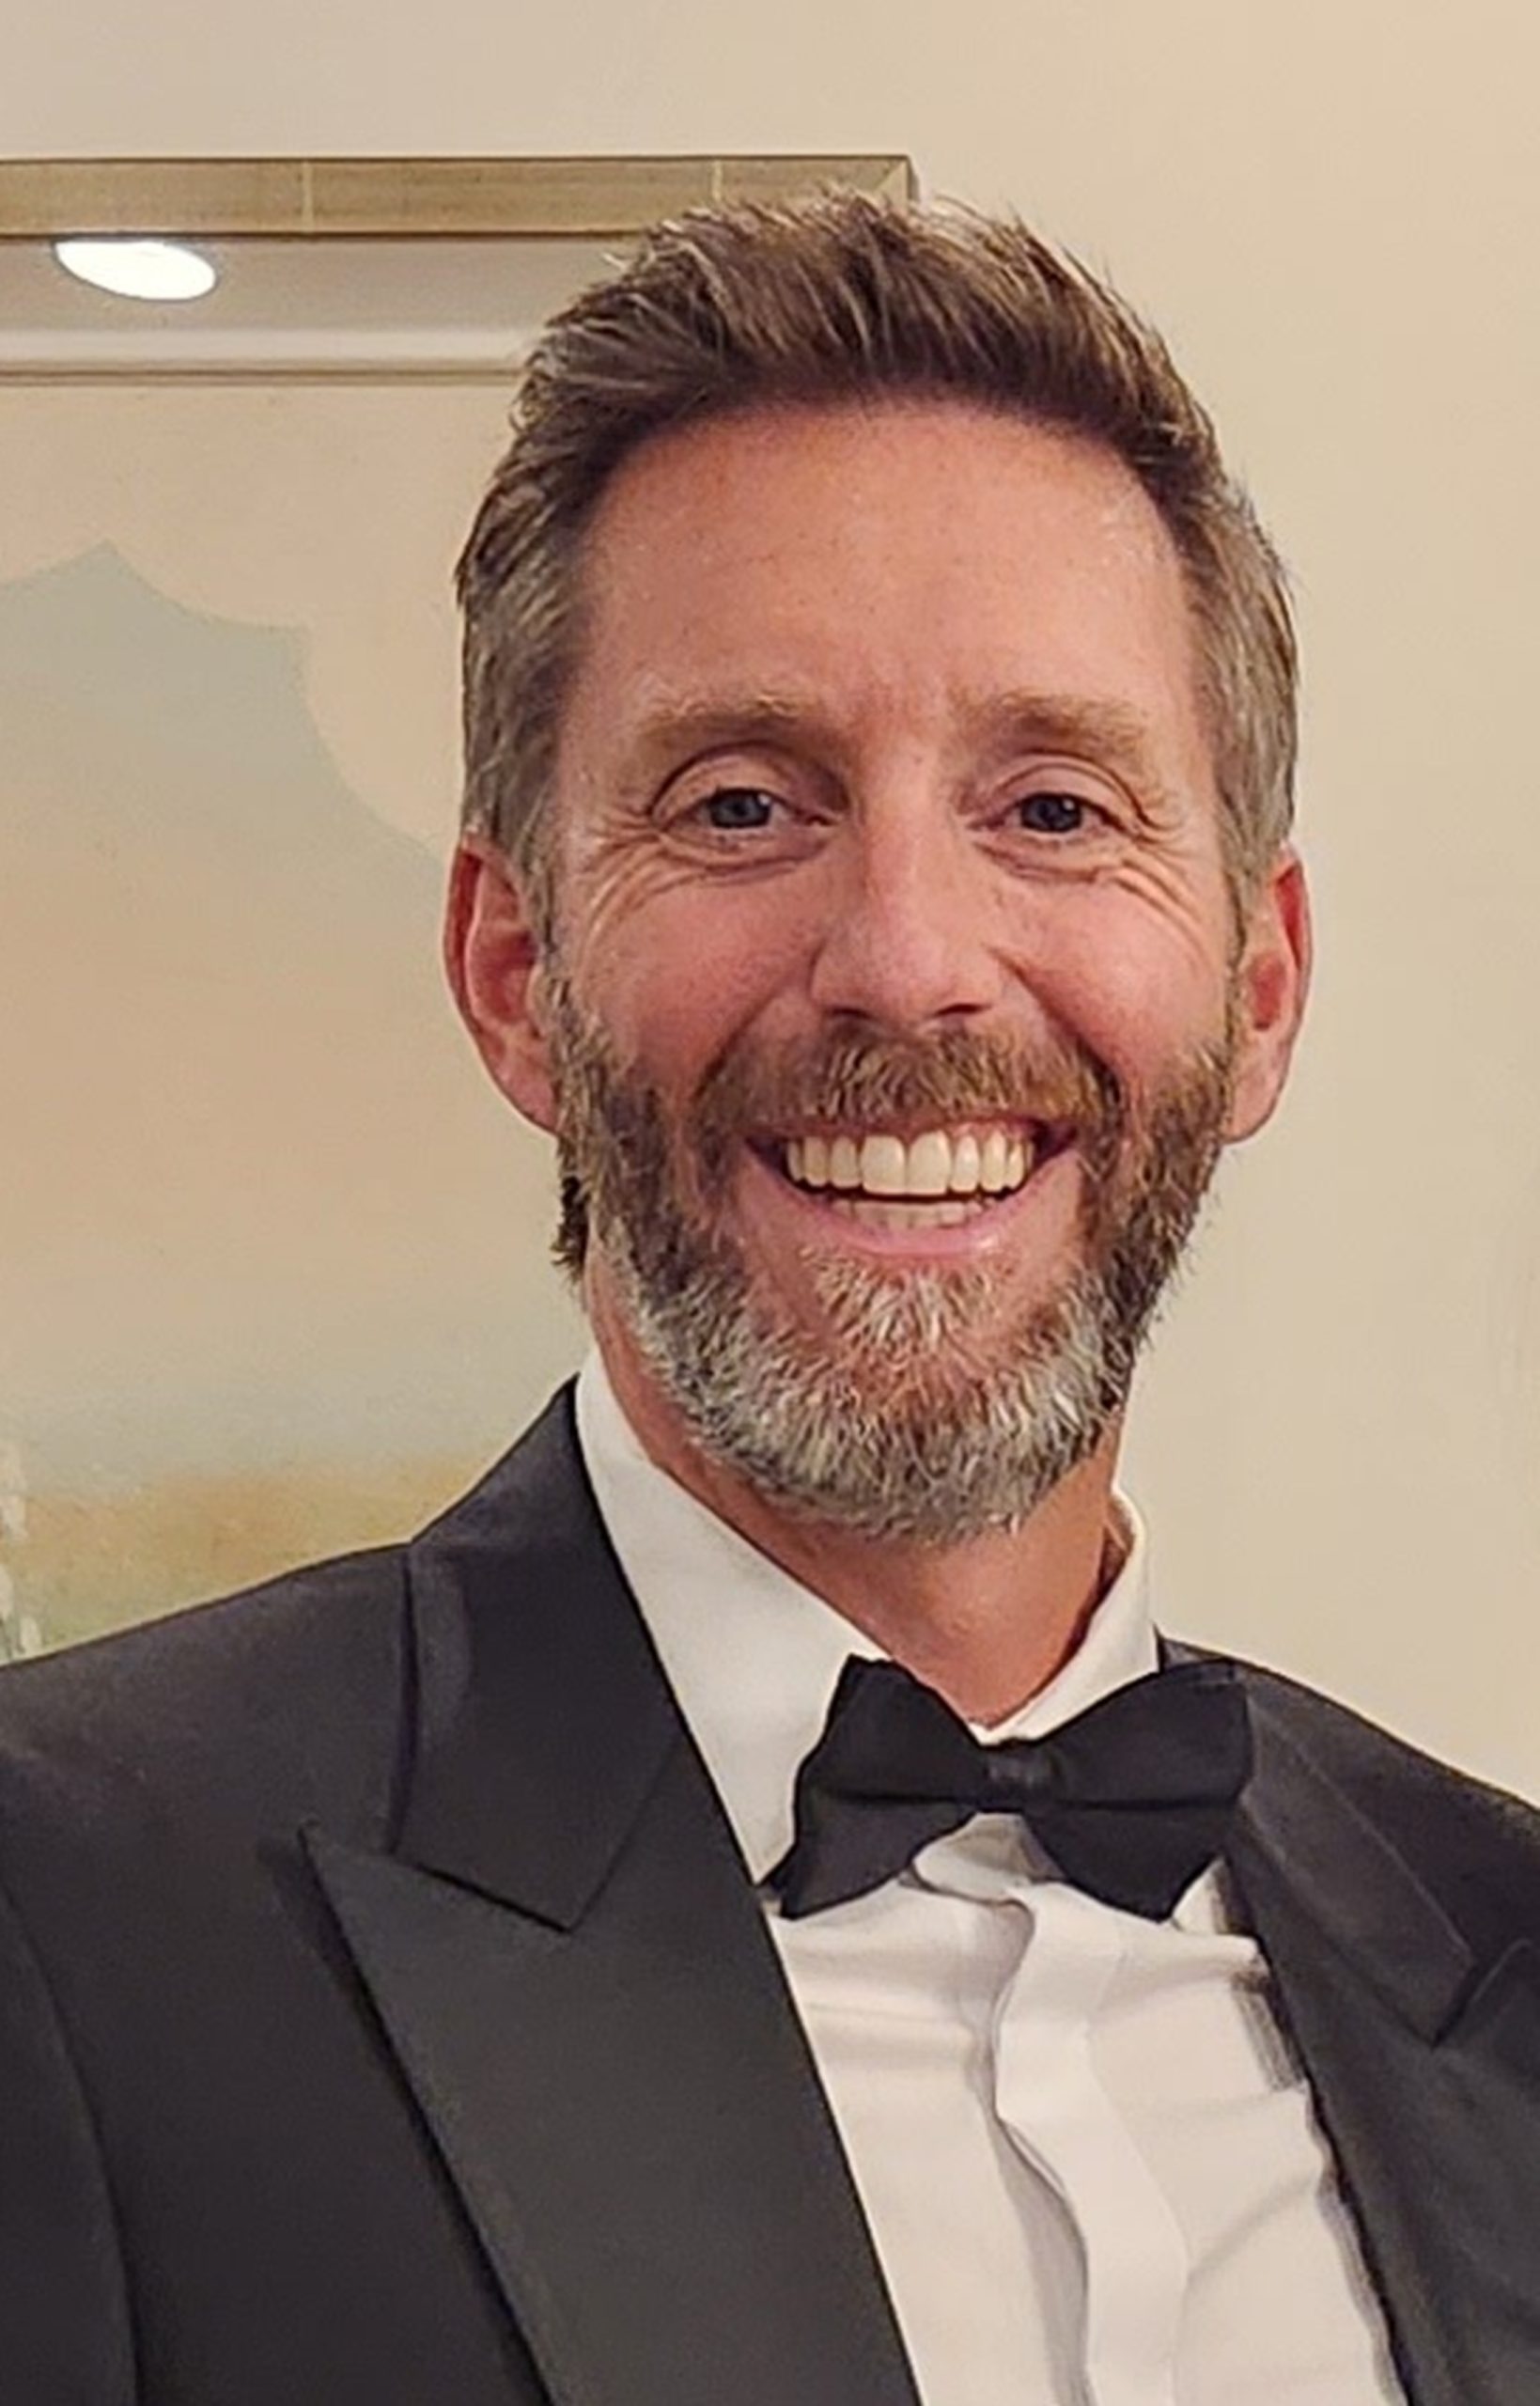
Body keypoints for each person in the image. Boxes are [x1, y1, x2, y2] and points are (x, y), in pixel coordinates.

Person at [0, 192, 1534, 2406]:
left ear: (1260, 985)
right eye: (743, 800)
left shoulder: (1501, 1942)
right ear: (516, 973)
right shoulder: (73, 1920)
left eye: (1052, 804)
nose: (907, 954)